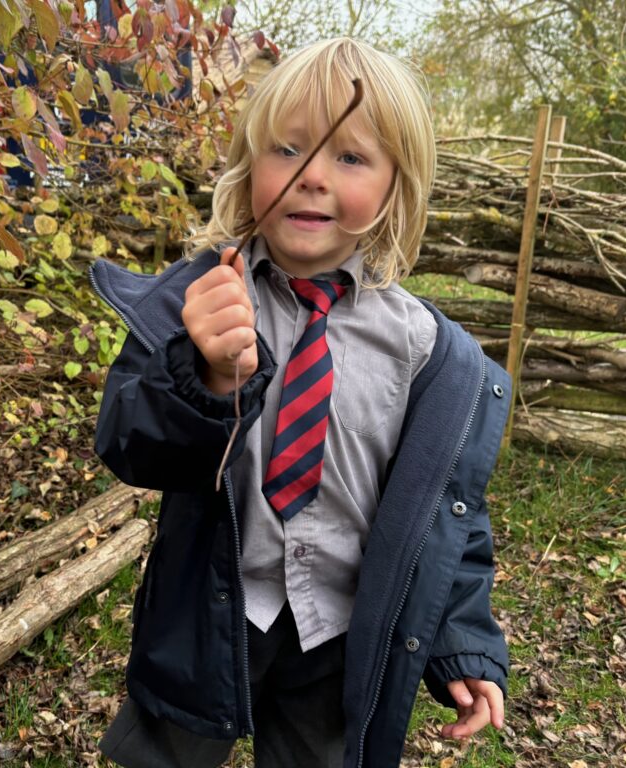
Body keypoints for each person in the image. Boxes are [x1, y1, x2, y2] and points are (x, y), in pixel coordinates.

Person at [89, 37, 510, 768]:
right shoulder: (197, 303)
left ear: (394, 186)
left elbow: (448, 518)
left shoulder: (426, 352)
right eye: (287, 150)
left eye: (349, 158)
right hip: (207, 614)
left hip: (342, 634)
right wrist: (206, 377)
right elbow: (127, 443)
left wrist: (460, 642)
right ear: (250, 168)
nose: (311, 176)